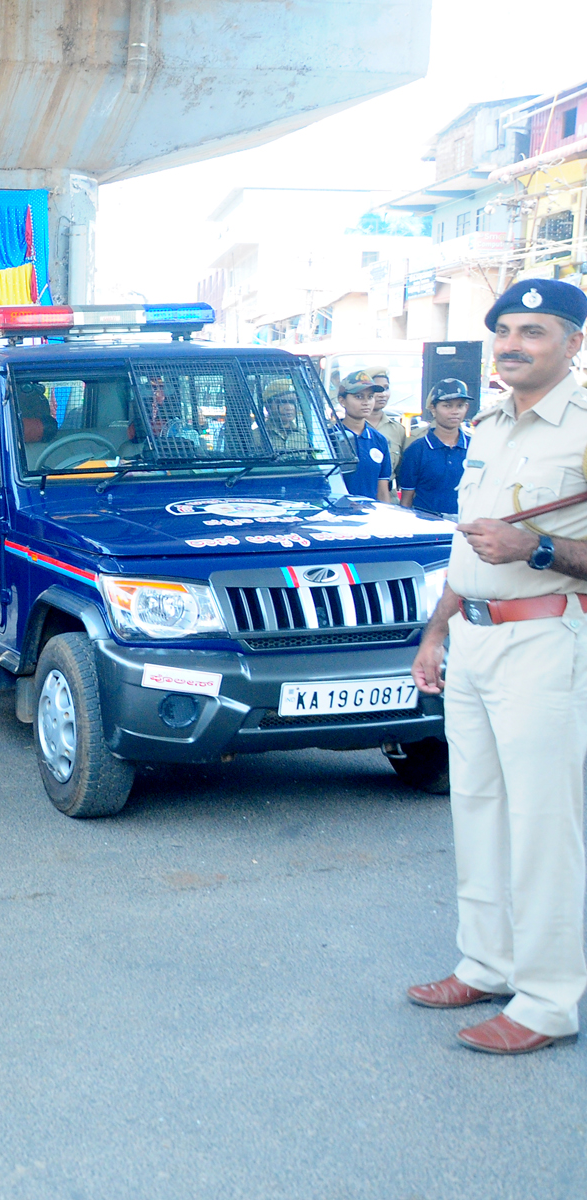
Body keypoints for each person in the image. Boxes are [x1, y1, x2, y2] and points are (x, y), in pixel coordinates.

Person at [407, 277, 587, 1056]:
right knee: (477, 808)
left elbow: (519, 544)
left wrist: (537, 548)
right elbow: (467, 546)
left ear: (574, 343)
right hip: (474, 639)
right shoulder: (489, 422)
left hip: (545, 640)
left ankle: (548, 1001)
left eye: (535, 331)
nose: (514, 343)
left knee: (545, 825)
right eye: (505, 330)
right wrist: (437, 632)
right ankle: (487, 963)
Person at [397, 379, 474, 519]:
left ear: (467, 408)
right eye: (447, 406)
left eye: (460, 406)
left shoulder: (476, 447)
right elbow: (407, 498)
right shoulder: (417, 450)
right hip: (427, 524)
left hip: (466, 524)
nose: (455, 411)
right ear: (433, 409)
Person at [329, 369, 392, 500]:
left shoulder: (379, 440)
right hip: (336, 514)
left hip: (370, 514)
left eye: (370, 397)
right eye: (358, 397)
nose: (366, 402)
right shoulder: (328, 437)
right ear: (342, 400)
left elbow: (382, 489)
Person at [368, 365, 409, 472]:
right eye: (377, 389)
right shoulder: (350, 427)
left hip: (388, 488)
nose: (383, 394)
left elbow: (402, 471)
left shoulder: (398, 430)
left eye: (386, 388)